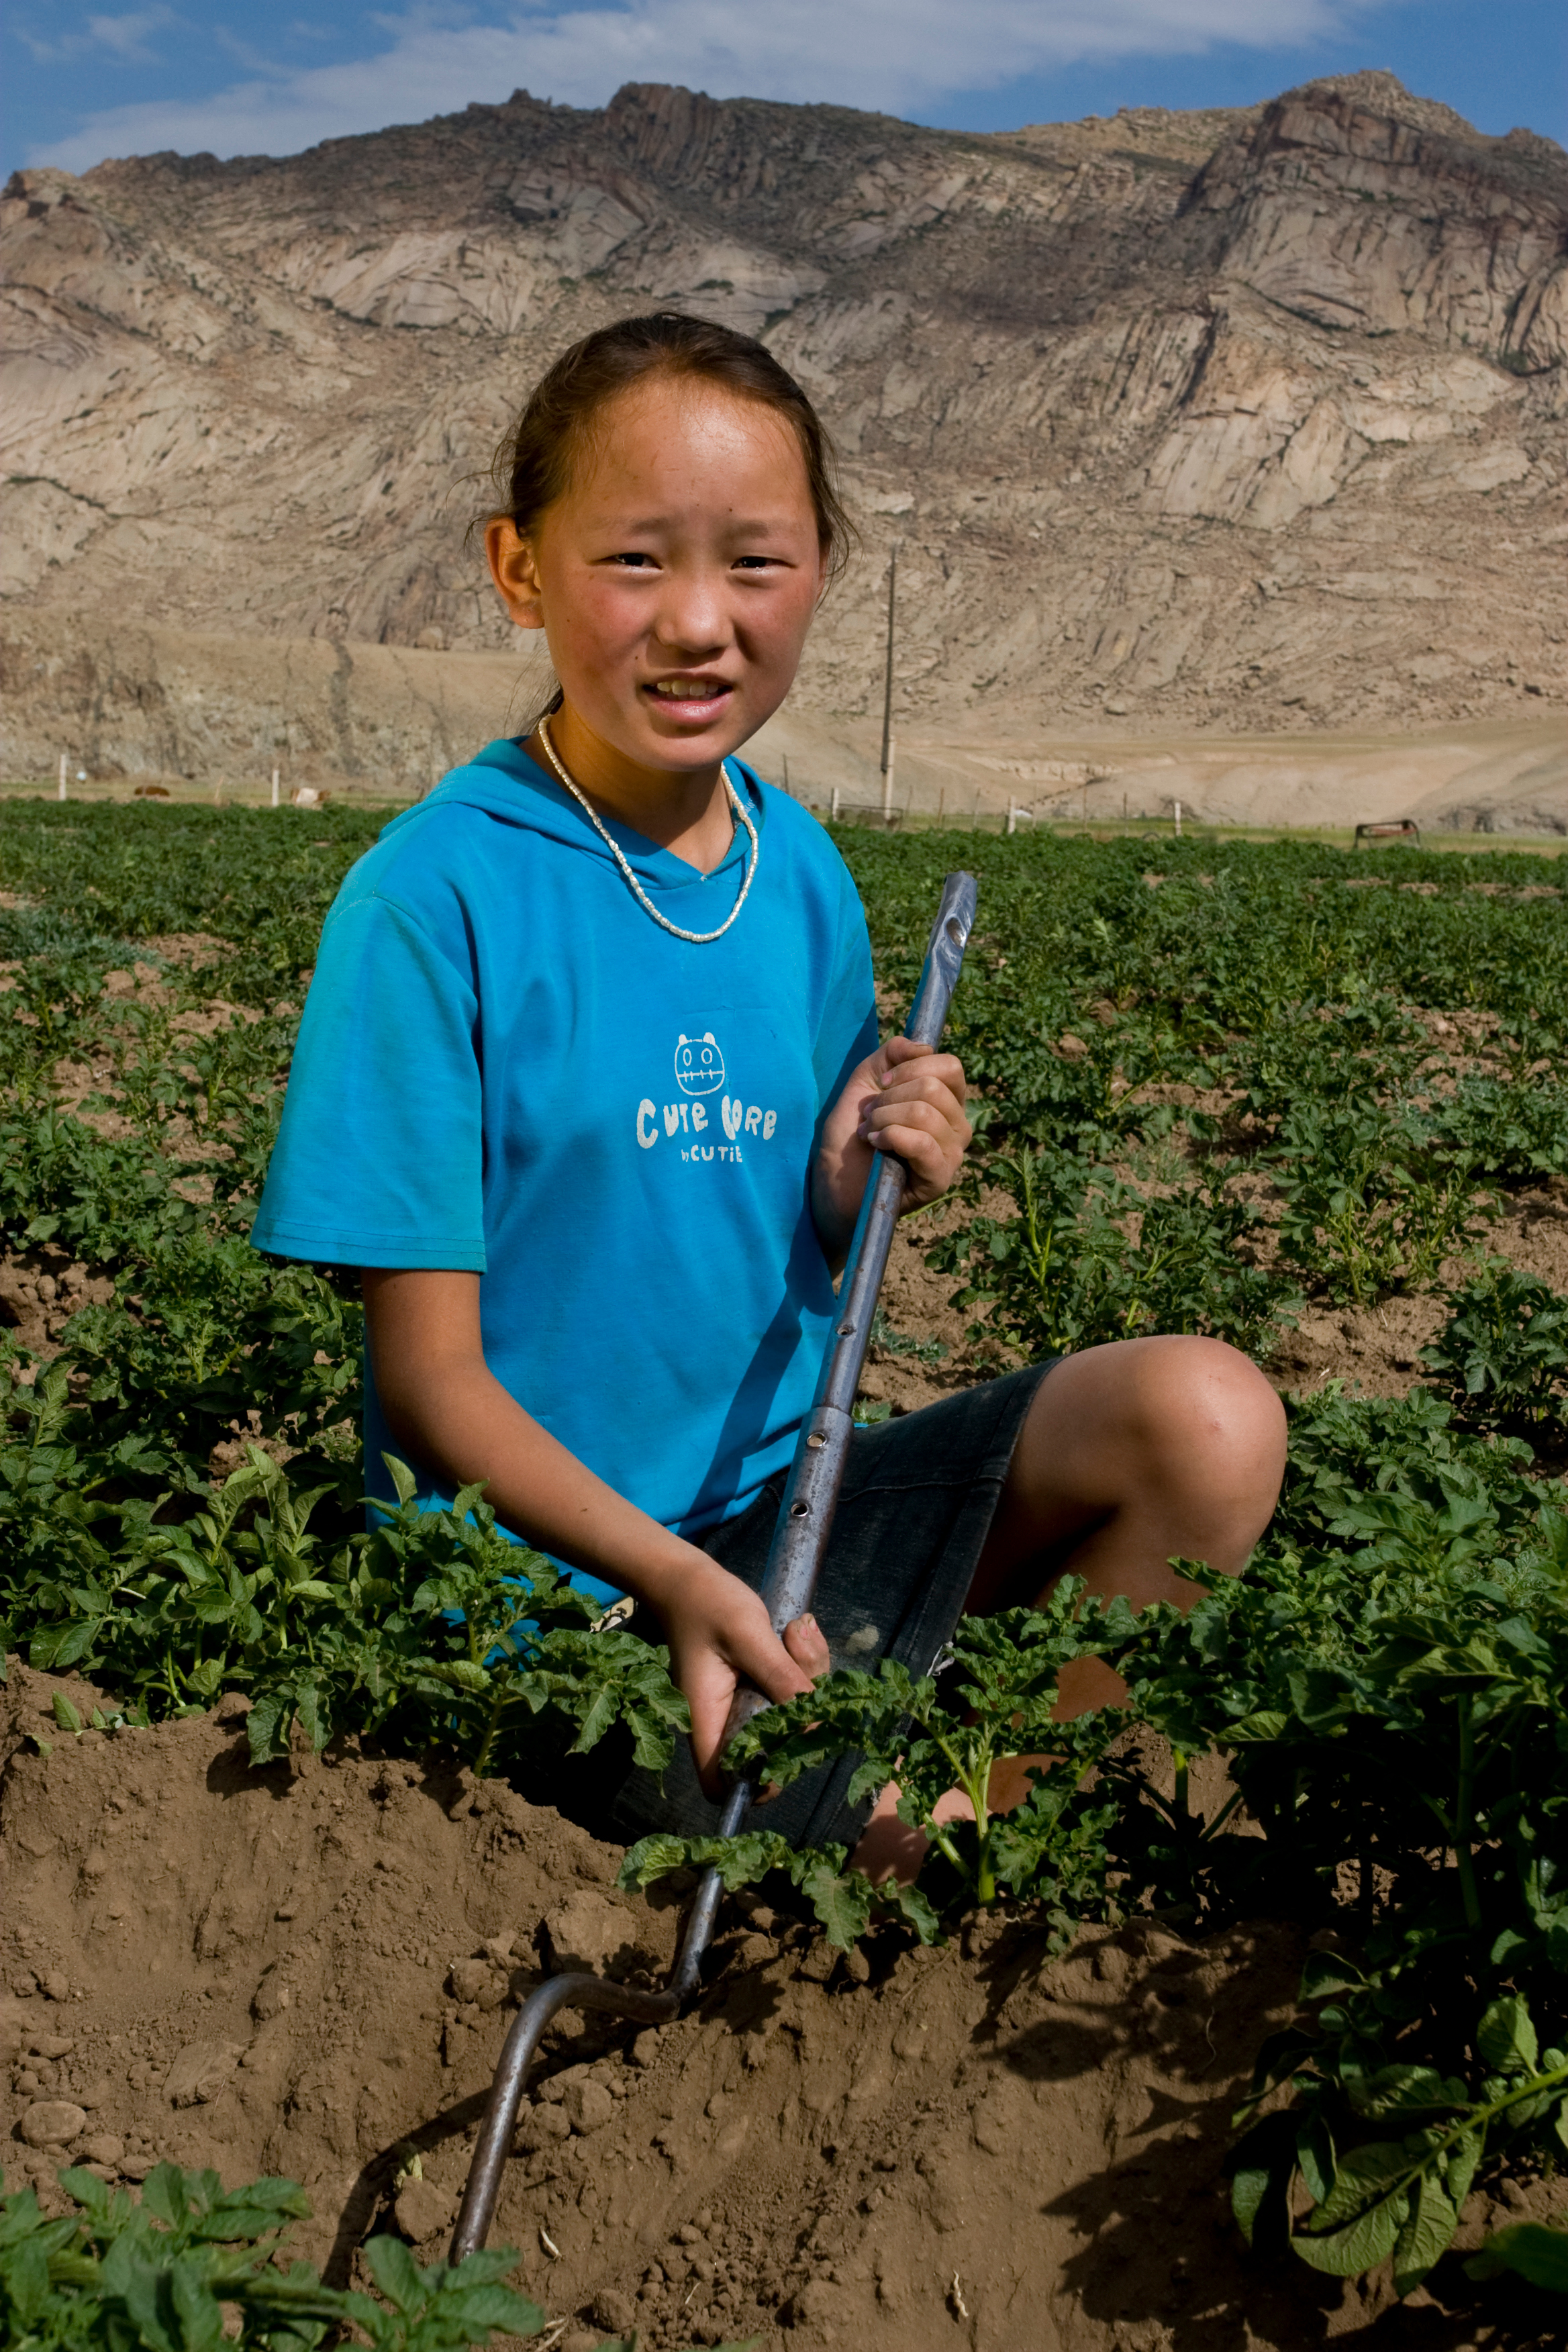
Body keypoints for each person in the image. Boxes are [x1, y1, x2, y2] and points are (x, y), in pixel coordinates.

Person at [251, 312, 1285, 1877]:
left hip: (786, 1527)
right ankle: (916, 1844)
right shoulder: (433, 900)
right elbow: (431, 1387)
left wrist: (863, 1169)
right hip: (555, 1605)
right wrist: (672, 1583)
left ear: (818, 574)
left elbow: (783, 1218)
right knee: (884, 1843)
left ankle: (988, 1823)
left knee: (1207, 1422)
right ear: (519, 569)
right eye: (634, 560)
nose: (698, 622)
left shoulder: (794, 868)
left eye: (754, 563)